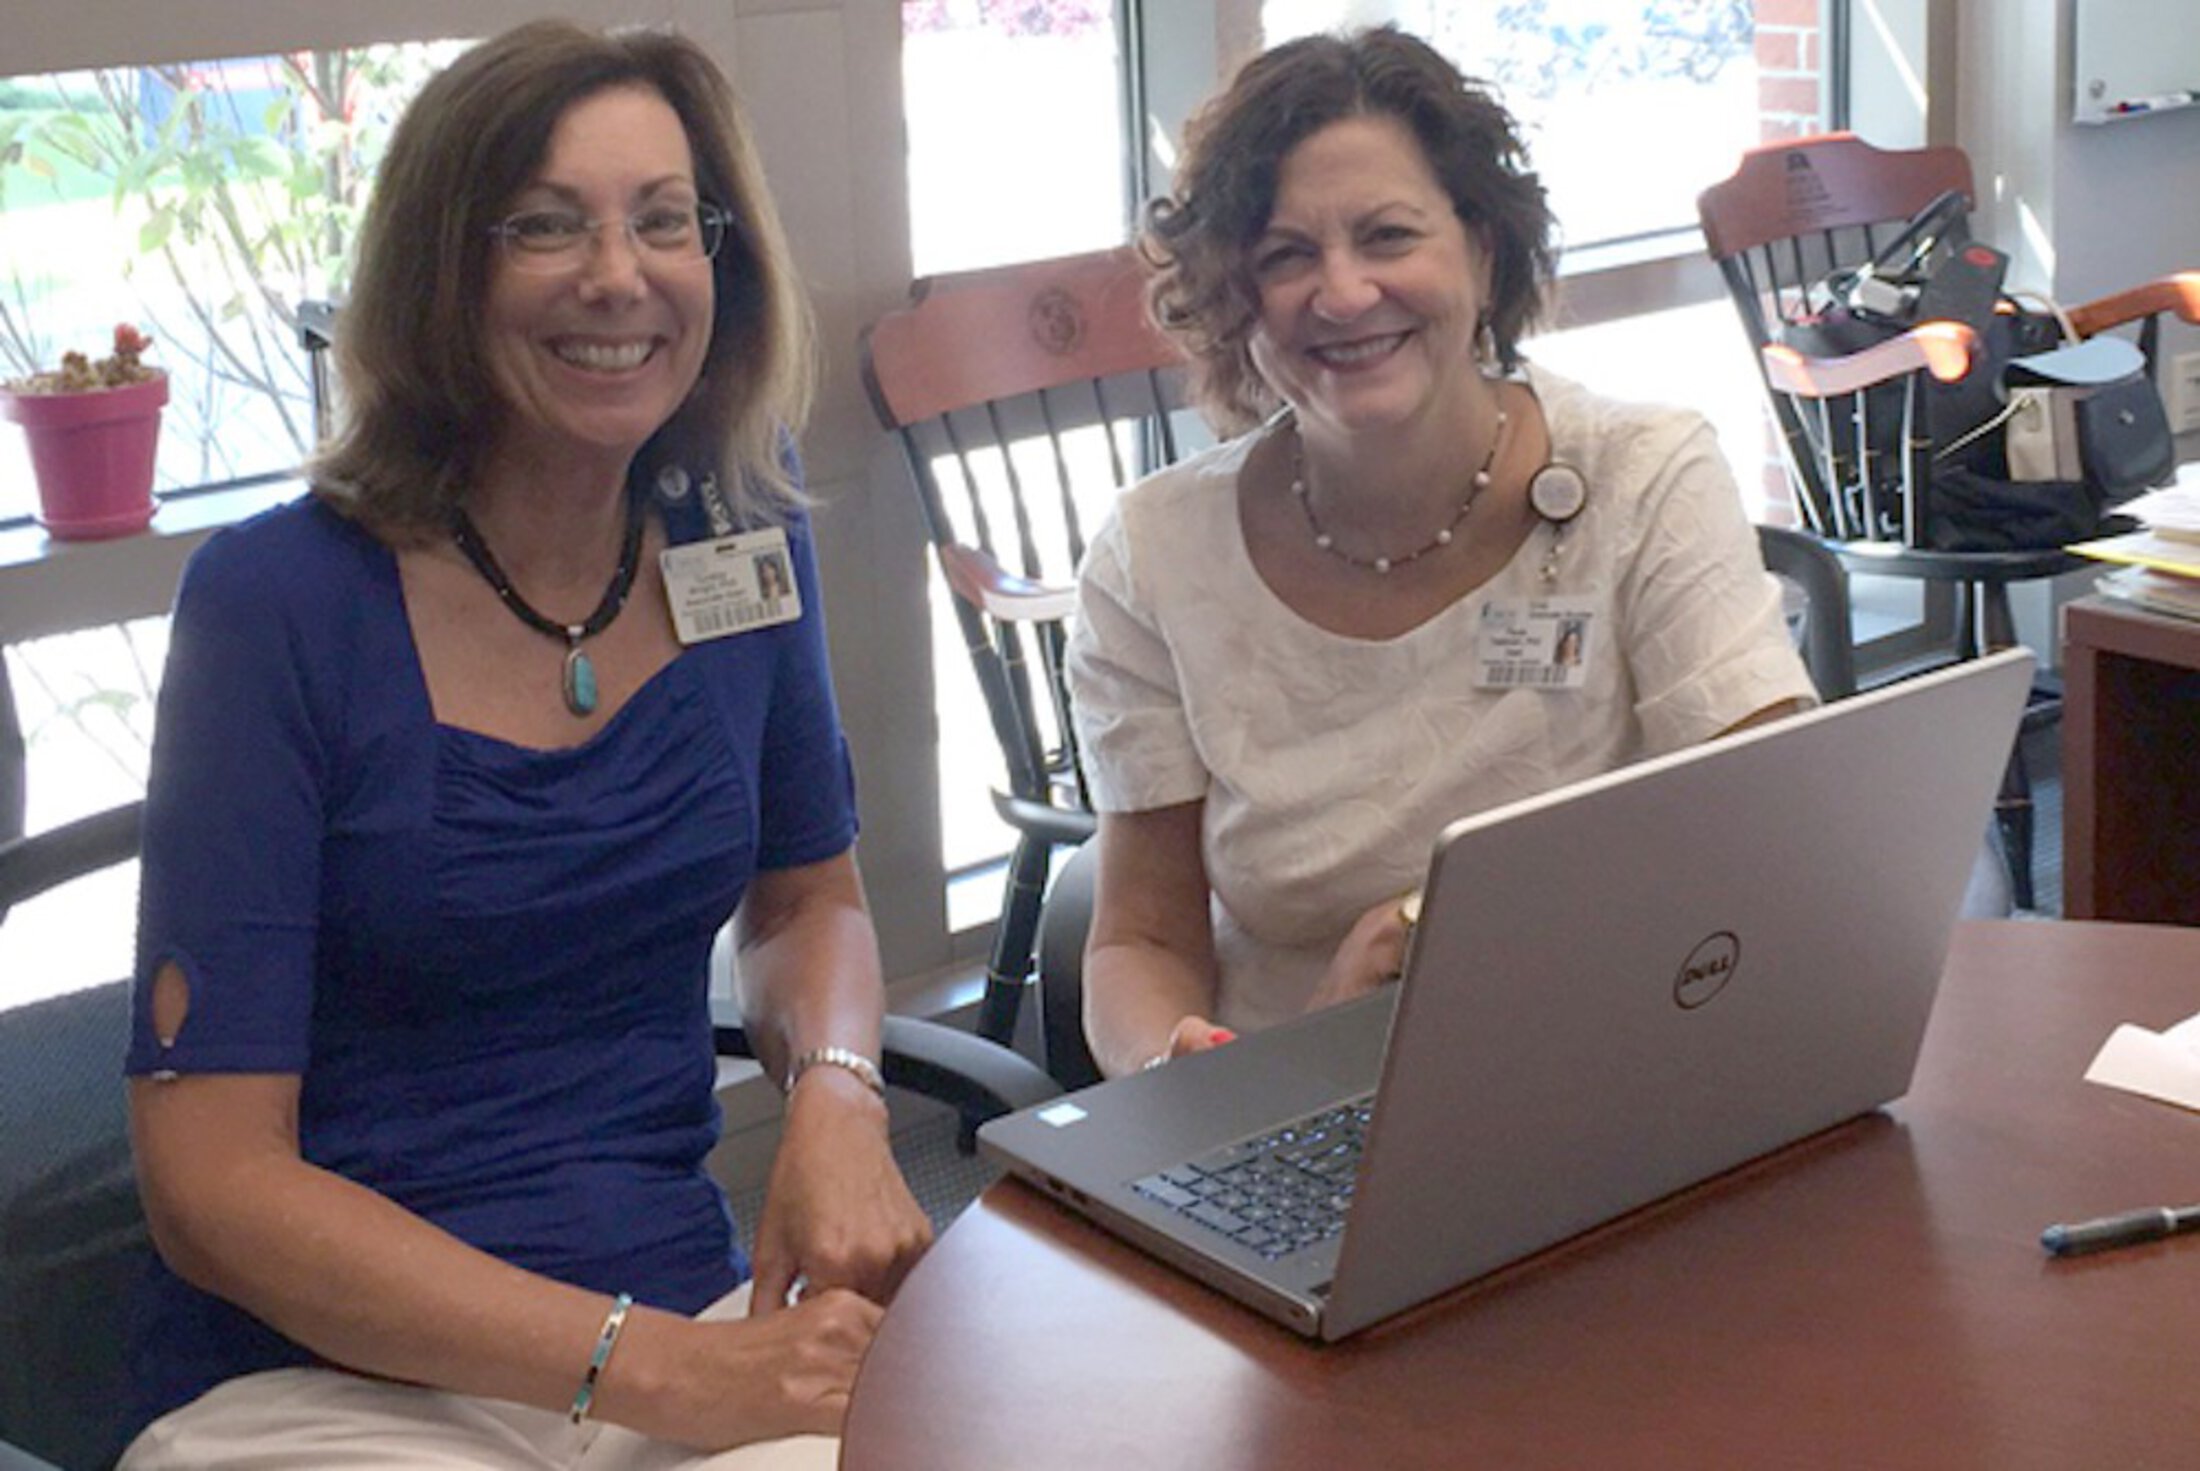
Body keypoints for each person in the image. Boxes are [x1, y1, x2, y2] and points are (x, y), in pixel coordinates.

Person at [120, 21, 929, 1468]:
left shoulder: (735, 521)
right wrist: (657, 1372)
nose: (618, 275)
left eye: (664, 220)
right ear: (443, 272)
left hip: (688, 1316)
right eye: (545, 225)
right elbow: (211, 1186)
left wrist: (837, 1090)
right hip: (337, 1384)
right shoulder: (275, 602)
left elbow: (809, 899)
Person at [1066, 27, 1817, 1079]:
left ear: (1483, 250)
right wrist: (1185, 1073)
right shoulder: (1153, 557)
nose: (1341, 293)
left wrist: (1457, 944)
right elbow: (1140, 941)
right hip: (1290, 1107)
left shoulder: (1644, 474)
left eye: (1387, 236)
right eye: (1285, 256)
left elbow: (1772, 839)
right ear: (1234, 297)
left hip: (1618, 1066)